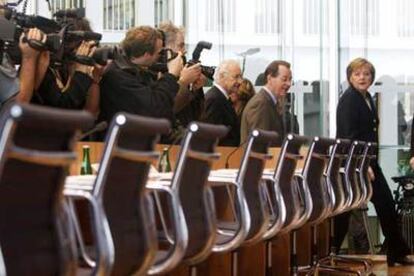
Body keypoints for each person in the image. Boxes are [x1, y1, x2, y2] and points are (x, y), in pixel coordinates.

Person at [335, 57, 413, 266]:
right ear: (350, 77)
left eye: (367, 74)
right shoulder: (349, 99)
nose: (362, 78)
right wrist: (364, 165)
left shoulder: (366, 97)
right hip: (356, 164)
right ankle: (326, 251)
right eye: (357, 74)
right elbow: (348, 136)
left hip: (367, 162)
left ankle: (396, 252)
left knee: (384, 205)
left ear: (372, 77)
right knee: (345, 209)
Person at [98, 26, 183, 126]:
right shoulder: (118, 77)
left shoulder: (136, 70)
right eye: (159, 52)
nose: (161, 56)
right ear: (146, 55)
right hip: (131, 137)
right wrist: (171, 75)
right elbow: (155, 109)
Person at [158, 21, 204, 127]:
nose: (184, 51)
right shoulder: (157, 73)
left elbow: (196, 116)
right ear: (166, 47)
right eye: (181, 46)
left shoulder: (181, 72)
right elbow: (167, 109)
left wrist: (195, 89)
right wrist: (183, 82)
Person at [240, 60, 292, 146]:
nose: (288, 84)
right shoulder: (261, 103)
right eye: (284, 79)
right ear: (269, 78)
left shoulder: (270, 102)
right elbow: (259, 144)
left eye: (290, 79)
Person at [201, 59, 241, 146]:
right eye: (236, 77)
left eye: (240, 77)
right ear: (222, 76)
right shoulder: (214, 99)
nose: (240, 81)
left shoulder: (222, 98)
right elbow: (210, 137)